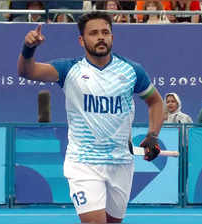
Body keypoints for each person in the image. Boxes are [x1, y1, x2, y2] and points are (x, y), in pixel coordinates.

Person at [17, 11, 164, 224]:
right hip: (83, 162)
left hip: (121, 163)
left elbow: (156, 102)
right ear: (81, 40)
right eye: (93, 33)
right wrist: (28, 48)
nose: (101, 37)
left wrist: (153, 135)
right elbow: (27, 72)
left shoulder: (132, 71)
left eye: (105, 32)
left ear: (112, 37)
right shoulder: (68, 70)